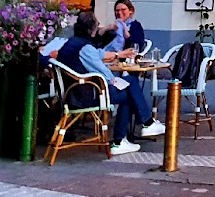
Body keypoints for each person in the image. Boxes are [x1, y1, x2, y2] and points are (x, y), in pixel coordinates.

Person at [56, 11, 165, 155]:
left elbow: (98, 54)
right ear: (92, 30)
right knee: (130, 89)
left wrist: (118, 54)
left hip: (74, 92)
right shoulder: (85, 48)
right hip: (87, 94)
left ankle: (138, 129)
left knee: (129, 88)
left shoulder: (72, 42)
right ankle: (132, 133)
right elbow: (102, 71)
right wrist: (113, 80)